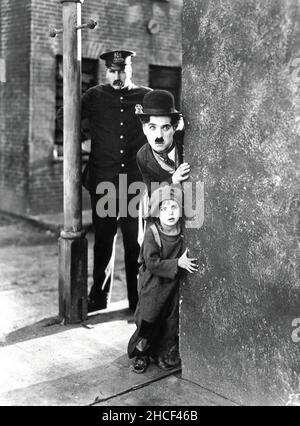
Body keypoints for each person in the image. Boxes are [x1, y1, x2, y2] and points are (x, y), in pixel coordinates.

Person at [57, 49, 151, 313]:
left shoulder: (145, 96)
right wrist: (85, 138)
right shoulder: (95, 96)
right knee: (104, 241)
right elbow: (65, 116)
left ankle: (137, 299)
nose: (117, 76)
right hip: (104, 182)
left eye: (122, 71)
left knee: (136, 243)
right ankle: (99, 297)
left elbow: (169, 120)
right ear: (106, 71)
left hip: (134, 183)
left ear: (131, 70)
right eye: (113, 71)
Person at [127, 183, 198, 373]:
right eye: (164, 208)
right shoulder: (153, 233)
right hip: (153, 285)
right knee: (148, 320)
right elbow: (151, 262)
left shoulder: (182, 231)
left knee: (170, 321)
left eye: (174, 207)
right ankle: (141, 354)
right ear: (157, 212)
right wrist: (178, 264)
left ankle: (162, 354)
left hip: (171, 285)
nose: (169, 212)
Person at [135, 89, 190, 196]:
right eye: (152, 127)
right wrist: (173, 180)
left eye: (165, 127)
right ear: (144, 129)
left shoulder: (187, 144)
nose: (159, 136)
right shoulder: (142, 156)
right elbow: (153, 192)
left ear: (174, 128)